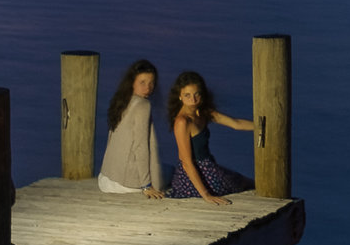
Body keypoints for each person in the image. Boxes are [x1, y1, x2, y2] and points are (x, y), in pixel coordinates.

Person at [162, 69, 255, 205]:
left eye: (196, 94)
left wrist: (263, 125)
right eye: (187, 95)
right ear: (180, 96)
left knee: (246, 182)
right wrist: (206, 195)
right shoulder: (182, 122)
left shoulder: (203, 113)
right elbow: (186, 163)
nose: (193, 99)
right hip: (193, 177)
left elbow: (236, 124)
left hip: (209, 168)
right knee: (246, 185)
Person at [97, 59, 165, 195]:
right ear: (132, 82)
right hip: (124, 184)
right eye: (142, 82)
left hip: (105, 179)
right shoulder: (143, 105)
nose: (148, 88)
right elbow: (141, 146)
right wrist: (147, 186)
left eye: (152, 83)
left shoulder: (121, 100)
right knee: (171, 173)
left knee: (165, 169)